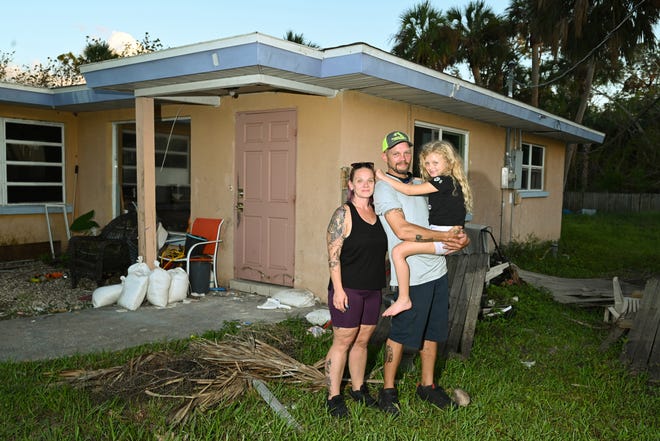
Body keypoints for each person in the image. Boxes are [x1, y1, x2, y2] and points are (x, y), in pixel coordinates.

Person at [373, 130, 470, 416]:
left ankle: (427, 386)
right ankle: (387, 390)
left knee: (434, 333)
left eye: (406, 152)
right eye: (395, 153)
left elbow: (450, 218)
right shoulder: (385, 188)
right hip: (412, 276)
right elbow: (402, 231)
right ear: (385, 157)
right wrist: (441, 240)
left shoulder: (423, 182)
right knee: (401, 334)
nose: (402, 158)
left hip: (437, 270)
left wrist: (461, 239)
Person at [376, 140, 473, 317]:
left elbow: (408, 190)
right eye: (427, 163)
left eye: (435, 163)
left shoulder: (441, 181)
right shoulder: (445, 183)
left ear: (449, 163)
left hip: (443, 241)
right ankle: (404, 297)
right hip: (444, 240)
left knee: (398, 252)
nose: (430, 167)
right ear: (385, 156)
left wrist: (384, 178)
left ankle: (404, 299)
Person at [324, 161, 388, 417]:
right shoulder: (343, 213)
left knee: (362, 341)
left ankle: (359, 389)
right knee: (343, 341)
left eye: (369, 180)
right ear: (350, 185)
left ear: (375, 184)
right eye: (359, 180)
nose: (365, 185)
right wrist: (338, 290)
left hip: (373, 289)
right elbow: (332, 256)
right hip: (348, 289)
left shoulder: (379, 214)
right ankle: (333, 396)